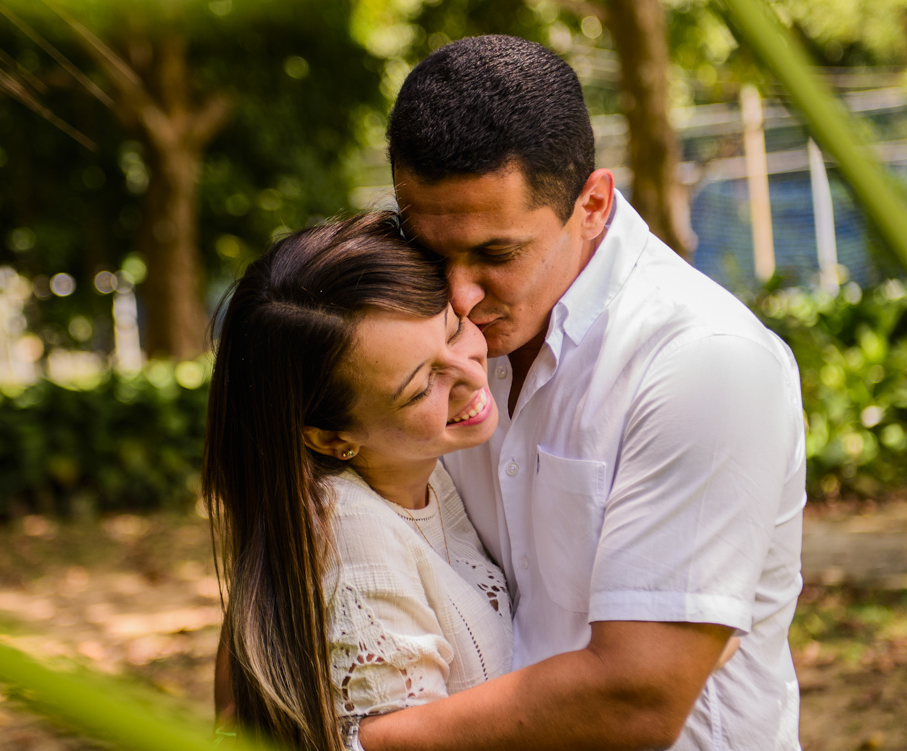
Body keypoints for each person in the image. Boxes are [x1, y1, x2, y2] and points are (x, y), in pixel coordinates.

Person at [351, 34, 806, 750]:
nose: (461, 294)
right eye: (432, 251)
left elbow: (637, 695)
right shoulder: (437, 343)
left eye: (496, 254)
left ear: (593, 203)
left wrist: (357, 740)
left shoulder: (703, 363)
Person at [203, 212, 515, 751]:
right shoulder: (353, 534)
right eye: (421, 389)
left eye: (454, 328)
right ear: (328, 438)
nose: (469, 373)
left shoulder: (418, 474)